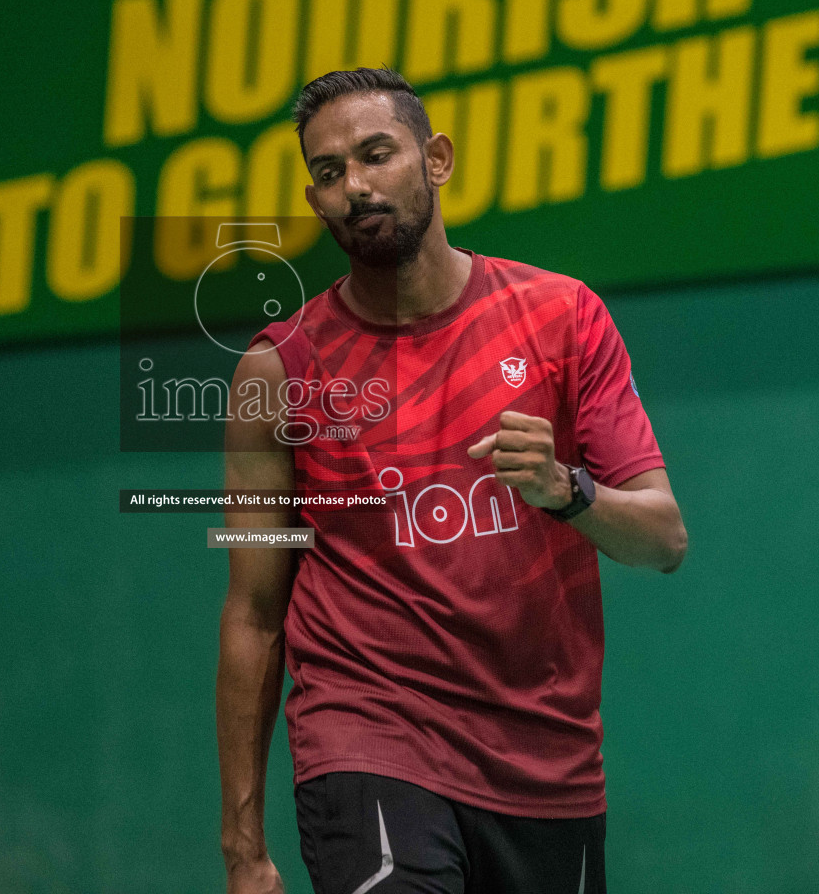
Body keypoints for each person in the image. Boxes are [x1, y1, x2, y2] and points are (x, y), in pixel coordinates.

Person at [216, 68, 689, 894]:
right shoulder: (277, 371)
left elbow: (663, 539)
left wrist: (566, 489)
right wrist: (243, 846)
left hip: (546, 765)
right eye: (329, 173)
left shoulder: (563, 318)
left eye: (375, 154)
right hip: (368, 737)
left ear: (436, 159)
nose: (355, 186)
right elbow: (255, 613)